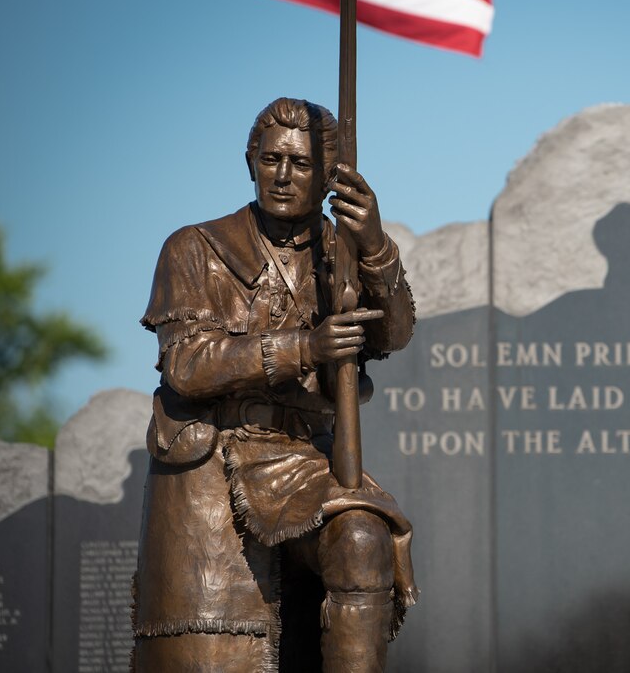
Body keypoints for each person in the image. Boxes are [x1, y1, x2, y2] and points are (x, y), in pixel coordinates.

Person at [132, 98, 417, 673]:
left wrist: (376, 248)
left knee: (362, 539)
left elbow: (393, 335)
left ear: (328, 176)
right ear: (251, 162)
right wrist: (304, 348)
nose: (282, 176)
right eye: (270, 160)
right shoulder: (194, 248)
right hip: (214, 461)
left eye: (301, 164)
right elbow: (186, 363)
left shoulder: (342, 253)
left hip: (301, 458)